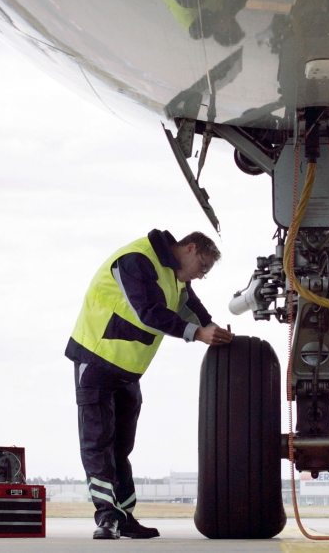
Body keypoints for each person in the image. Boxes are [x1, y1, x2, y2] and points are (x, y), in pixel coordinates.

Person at [65, 229, 234, 539]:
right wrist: (197, 334)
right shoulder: (138, 259)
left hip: (127, 370)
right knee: (98, 444)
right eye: (204, 266)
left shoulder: (175, 276)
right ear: (190, 248)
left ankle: (124, 515)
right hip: (97, 361)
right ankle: (106, 518)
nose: (203, 274)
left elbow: (189, 307)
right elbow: (148, 312)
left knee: (121, 447)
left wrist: (212, 329)